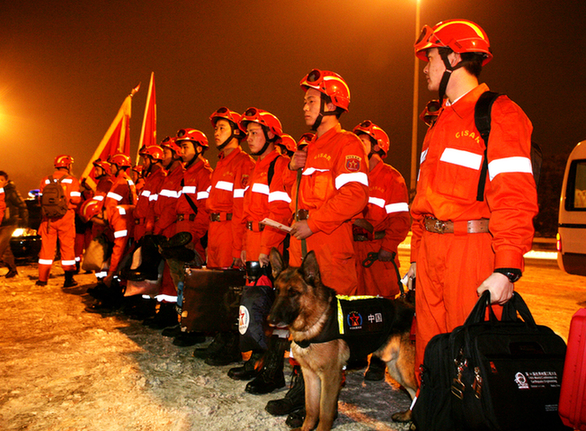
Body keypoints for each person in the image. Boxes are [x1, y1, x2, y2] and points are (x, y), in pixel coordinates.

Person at [409, 19, 539, 388]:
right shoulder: (438, 124)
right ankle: (432, 413)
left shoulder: (499, 113)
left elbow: (514, 196)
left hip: (471, 253)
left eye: (430, 57)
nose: (425, 66)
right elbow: (423, 201)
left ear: (453, 57)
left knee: (472, 362)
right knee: (431, 353)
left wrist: (507, 268)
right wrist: (417, 258)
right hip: (433, 252)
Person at [268, 69, 369, 427]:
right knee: (301, 329)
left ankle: (326, 408)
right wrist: (289, 169)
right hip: (302, 249)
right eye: (306, 100)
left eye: (312, 100)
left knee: (328, 337)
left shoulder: (348, 145)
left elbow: (356, 196)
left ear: (331, 103)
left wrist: (316, 221)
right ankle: (303, 390)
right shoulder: (307, 147)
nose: (305, 106)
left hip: (329, 251)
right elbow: (291, 195)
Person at [227, 108, 291, 395]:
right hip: (251, 241)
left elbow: (280, 210)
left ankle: (272, 370)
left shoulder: (280, 165)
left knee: (271, 310)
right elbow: (245, 213)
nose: (248, 138)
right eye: (248, 133)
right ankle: (255, 360)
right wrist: (243, 245)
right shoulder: (256, 167)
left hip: (268, 242)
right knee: (253, 305)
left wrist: (267, 248)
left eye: (254, 133)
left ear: (270, 135)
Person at [351, 120, 411, 381]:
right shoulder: (353, 175)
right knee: (356, 305)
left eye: (363, 141)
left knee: (382, 309)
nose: (357, 145)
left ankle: (378, 360)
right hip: (354, 251)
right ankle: (355, 354)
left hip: (377, 253)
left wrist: (388, 247)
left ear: (378, 146)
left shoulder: (391, 177)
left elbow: (400, 219)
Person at [195, 107, 255, 366]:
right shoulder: (221, 162)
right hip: (216, 230)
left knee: (232, 291)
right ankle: (221, 337)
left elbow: (241, 209)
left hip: (231, 230)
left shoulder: (243, 163)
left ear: (236, 132)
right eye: (216, 128)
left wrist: (238, 246)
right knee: (218, 289)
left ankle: (232, 344)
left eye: (222, 128)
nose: (216, 133)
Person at [37, 155, 82, 287]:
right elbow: (76, 200)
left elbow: (40, 200)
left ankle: (42, 279)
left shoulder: (45, 180)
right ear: (68, 166)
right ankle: (68, 279)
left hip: (48, 219)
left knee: (46, 250)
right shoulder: (72, 180)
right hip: (66, 218)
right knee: (67, 248)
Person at [175, 128, 213, 264]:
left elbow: (204, 208)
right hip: (180, 229)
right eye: (181, 147)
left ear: (198, 149)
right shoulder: (186, 174)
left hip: (193, 232)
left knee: (192, 277)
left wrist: (194, 236)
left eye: (185, 147)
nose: (181, 152)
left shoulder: (204, 174)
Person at [0, 171, 28, 278]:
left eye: (1, 180)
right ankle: (12, 269)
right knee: (5, 248)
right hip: (1, 223)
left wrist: (24, 223)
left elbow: (22, 205)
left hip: (9, 223)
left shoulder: (11, 191)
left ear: (6, 181)